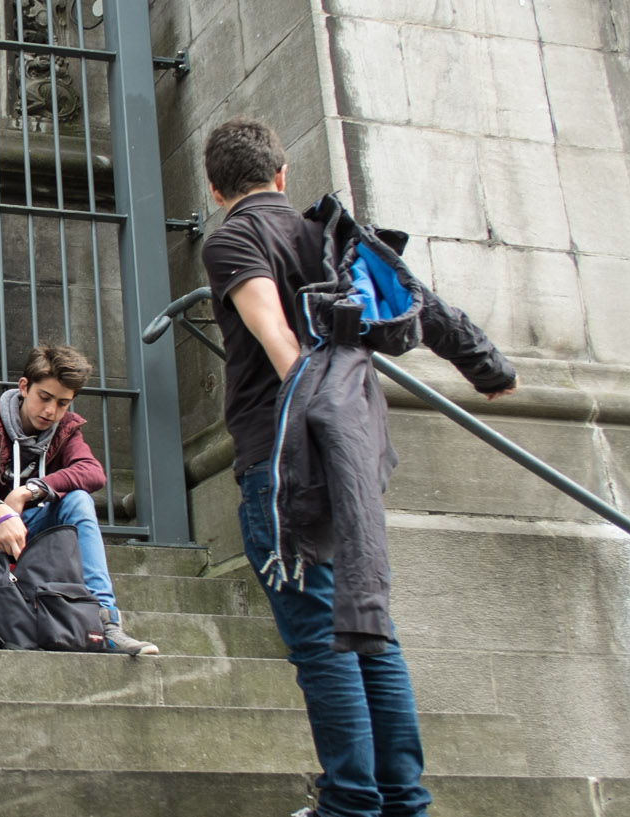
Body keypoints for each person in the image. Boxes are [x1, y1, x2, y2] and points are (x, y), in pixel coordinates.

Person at [199, 117, 517, 817]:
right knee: (369, 628)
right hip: (357, 450)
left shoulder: (232, 238)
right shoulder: (331, 236)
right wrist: (487, 367)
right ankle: (402, 799)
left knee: (322, 636)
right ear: (281, 175)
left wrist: (305, 405)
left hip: (287, 452)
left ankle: (349, 802)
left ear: (216, 187)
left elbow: (275, 333)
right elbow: (423, 307)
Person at [0, 345, 158, 655]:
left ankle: (106, 624)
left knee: (80, 500)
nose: (51, 411)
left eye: (62, 403)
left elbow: (92, 472)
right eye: (44, 398)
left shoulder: (67, 430)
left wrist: (31, 490)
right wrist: (0, 512)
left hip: (36, 536)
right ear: (24, 387)